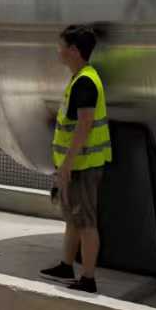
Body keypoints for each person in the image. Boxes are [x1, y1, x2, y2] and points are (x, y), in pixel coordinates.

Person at [39, 24, 112, 293]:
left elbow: (84, 125)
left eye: (61, 46)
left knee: (86, 223)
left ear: (73, 50)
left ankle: (88, 279)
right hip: (75, 165)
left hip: (82, 166)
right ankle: (66, 265)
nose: (58, 51)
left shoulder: (85, 82)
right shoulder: (79, 78)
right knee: (73, 219)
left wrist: (67, 165)